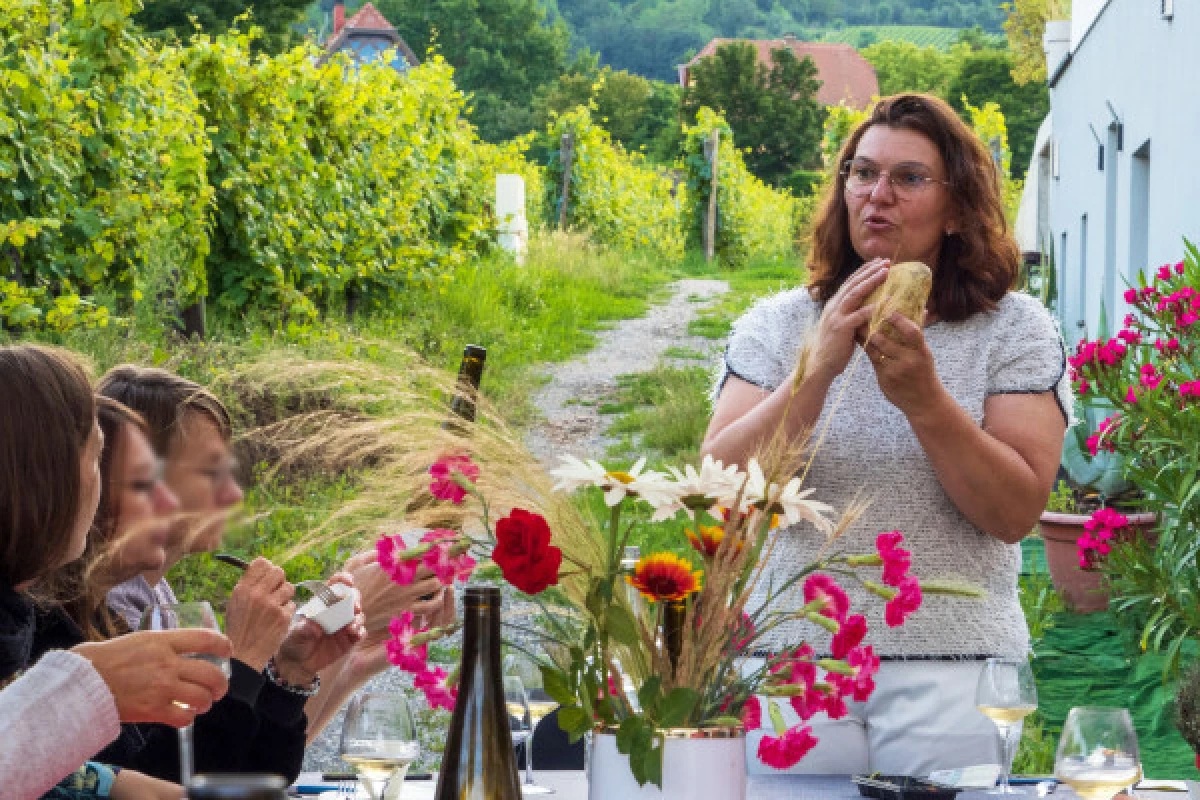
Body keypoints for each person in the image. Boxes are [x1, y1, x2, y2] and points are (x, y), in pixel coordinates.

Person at [702, 94, 1069, 776]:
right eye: (862, 172)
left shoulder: (1013, 330)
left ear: (957, 209)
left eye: (909, 178)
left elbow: (1014, 512)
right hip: (790, 664)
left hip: (955, 671)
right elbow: (719, 490)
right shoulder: (777, 324)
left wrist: (926, 401)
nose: (878, 195)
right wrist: (816, 372)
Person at [97, 365, 455, 739]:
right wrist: (346, 606)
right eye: (209, 472)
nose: (233, 495)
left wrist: (352, 656)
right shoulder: (118, 602)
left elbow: (249, 756)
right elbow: (201, 768)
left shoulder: (154, 592)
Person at [32, 395, 364, 783]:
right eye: (144, 483)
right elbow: (169, 781)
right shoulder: (43, 644)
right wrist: (238, 663)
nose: (170, 503)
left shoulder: (100, 620)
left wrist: (289, 671)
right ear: (67, 492)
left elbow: (258, 777)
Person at [0, 344, 231, 799]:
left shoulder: (16, 626)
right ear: (46, 474)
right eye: (94, 455)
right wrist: (82, 685)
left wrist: (113, 784)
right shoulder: (42, 632)